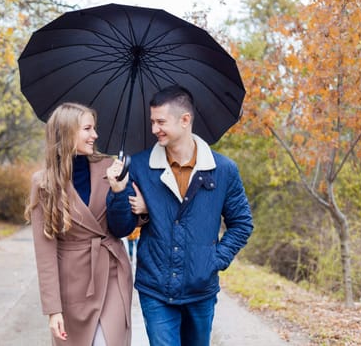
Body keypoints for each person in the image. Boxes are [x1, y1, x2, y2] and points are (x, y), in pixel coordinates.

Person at [106, 85, 254, 346]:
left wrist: (214, 260)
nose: (154, 129)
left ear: (185, 120)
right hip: (155, 288)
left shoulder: (223, 170)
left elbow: (242, 223)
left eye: (161, 122)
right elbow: (119, 227)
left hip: (201, 289)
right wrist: (118, 192)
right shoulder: (139, 165)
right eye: (152, 122)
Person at [25, 102, 138, 346]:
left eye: (94, 128)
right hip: (73, 285)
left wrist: (119, 191)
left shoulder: (111, 168)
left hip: (112, 273)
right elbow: (45, 253)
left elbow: (123, 228)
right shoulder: (44, 183)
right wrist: (53, 310)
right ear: (66, 133)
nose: (95, 135)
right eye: (88, 129)